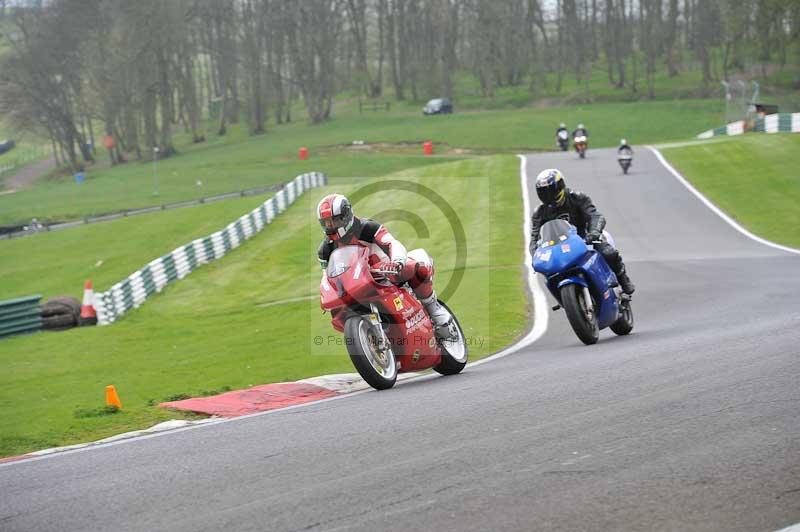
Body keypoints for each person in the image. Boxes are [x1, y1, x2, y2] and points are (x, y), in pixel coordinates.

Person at [316, 193, 452, 328]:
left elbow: (391, 243)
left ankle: (433, 308)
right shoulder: (325, 249)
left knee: (417, 268)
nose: (330, 226)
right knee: (337, 313)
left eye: (334, 221)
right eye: (326, 223)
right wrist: (326, 295)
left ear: (346, 216)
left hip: (385, 272)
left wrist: (397, 261)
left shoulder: (368, 227)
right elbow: (327, 277)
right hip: (355, 284)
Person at [530, 169, 635, 294]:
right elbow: (534, 239)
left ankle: (623, 279)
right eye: (544, 193)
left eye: (551, 191)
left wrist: (594, 232)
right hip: (558, 248)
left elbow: (596, 216)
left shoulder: (577, 198)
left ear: (560, 186)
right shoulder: (539, 213)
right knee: (549, 275)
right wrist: (535, 256)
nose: (549, 196)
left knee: (608, 252)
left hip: (585, 238)